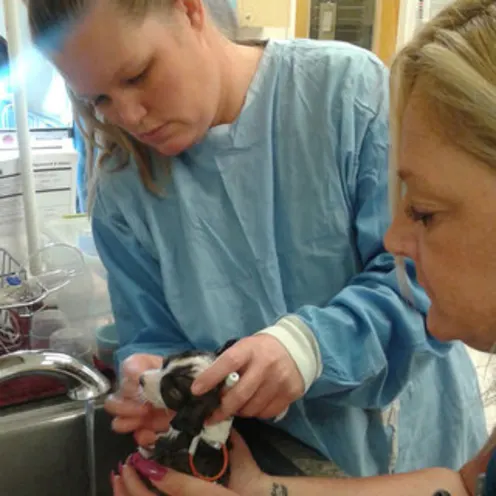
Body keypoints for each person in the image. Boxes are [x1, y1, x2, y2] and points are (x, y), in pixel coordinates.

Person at [26, 0, 486, 485]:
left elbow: (429, 281)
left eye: (139, 75)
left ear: (189, 10)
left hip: (415, 455)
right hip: (263, 467)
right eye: (99, 100)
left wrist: (308, 347)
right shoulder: (125, 189)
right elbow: (153, 334)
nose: (130, 116)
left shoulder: (343, 96)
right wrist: (153, 376)